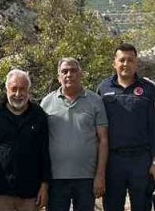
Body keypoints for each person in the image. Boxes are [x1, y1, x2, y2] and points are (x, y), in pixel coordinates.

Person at [96, 43, 155, 211]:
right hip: (113, 161)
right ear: (114, 63)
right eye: (122, 60)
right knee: (112, 206)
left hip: (141, 160)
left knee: (142, 206)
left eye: (130, 60)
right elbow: (96, 130)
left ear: (136, 63)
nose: (126, 64)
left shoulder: (148, 90)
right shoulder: (103, 89)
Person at [39, 57, 109, 211]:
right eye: (64, 71)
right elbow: (40, 144)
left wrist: (100, 175)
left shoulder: (96, 101)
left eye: (73, 71)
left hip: (86, 178)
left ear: (80, 74)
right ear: (58, 77)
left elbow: (103, 140)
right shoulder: (46, 103)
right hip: (55, 178)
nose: (69, 74)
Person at [0, 69, 51, 211]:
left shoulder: (39, 115)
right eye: (14, 89)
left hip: (30, 193)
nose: (18, 94)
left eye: (22, 89)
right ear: (7, 89)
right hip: (0, 191)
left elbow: (44, 152)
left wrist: (44, 186)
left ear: (28, 90)